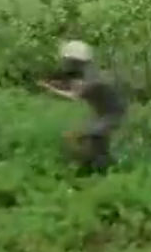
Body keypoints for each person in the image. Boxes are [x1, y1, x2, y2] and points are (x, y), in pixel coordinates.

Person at [42, 40, 126, 174]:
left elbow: (75, 95)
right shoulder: (88, 73)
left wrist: (49, 88)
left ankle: (102, 171)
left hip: (111, 115)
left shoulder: (91, 77)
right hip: (102, 113)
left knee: (90, 137)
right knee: (92, 140)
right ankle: (101, 169)